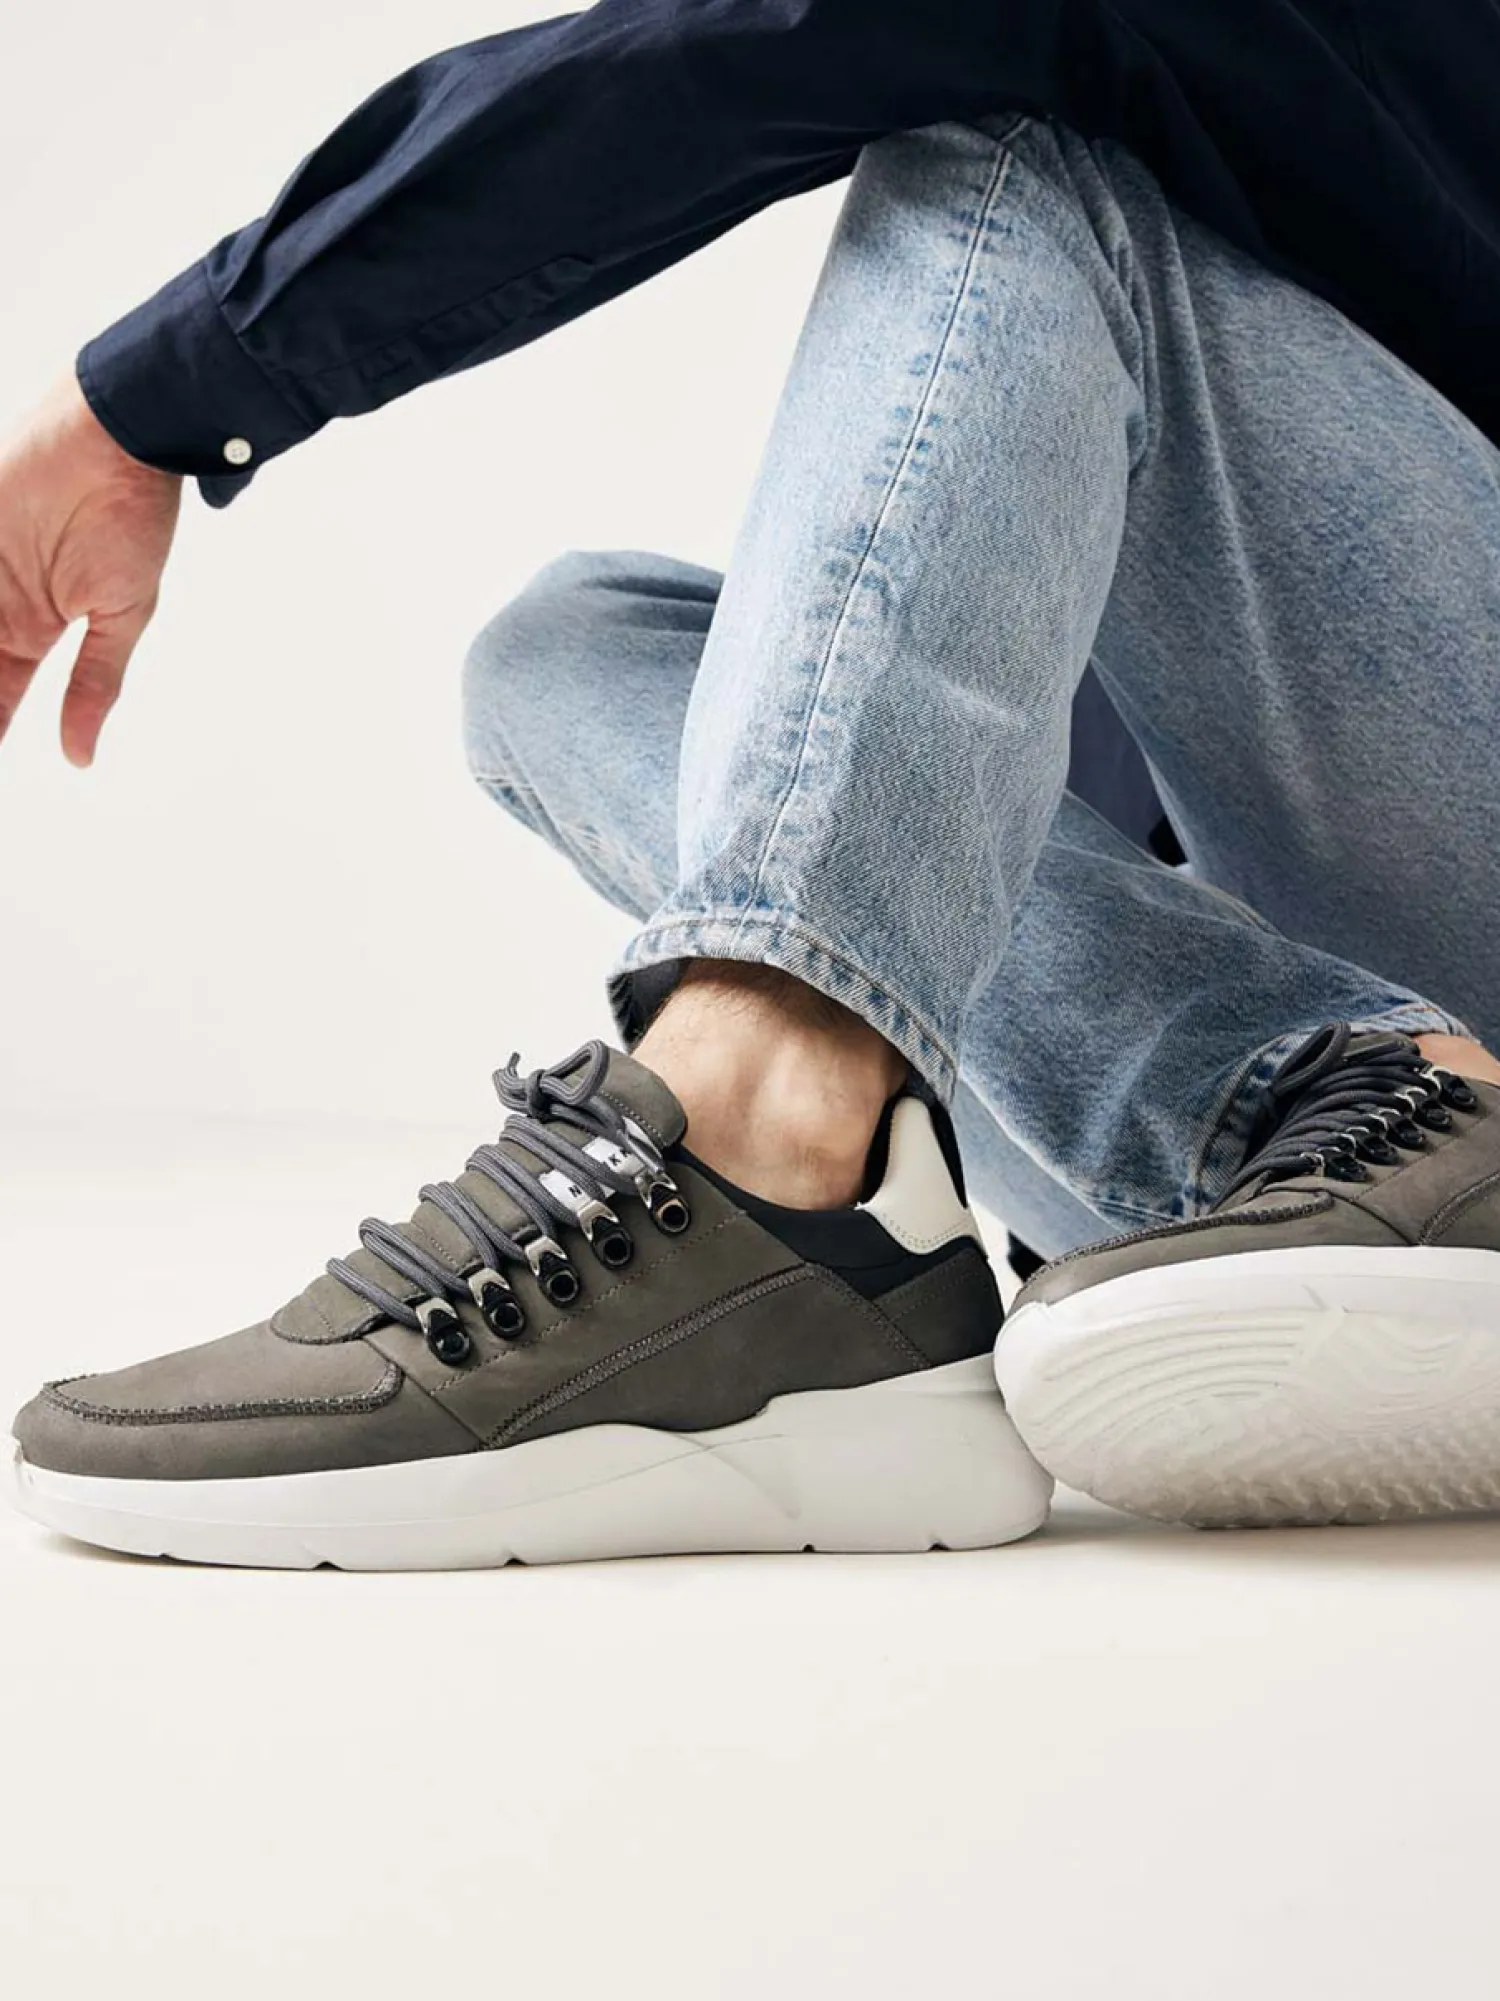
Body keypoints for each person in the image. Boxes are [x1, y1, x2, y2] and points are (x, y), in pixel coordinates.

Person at [6, 4, 1500, 1566]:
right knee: (564, 654)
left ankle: (765, 1144)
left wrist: (158, 393)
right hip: (1310, 1148)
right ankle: (1325, 1117)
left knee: (1027, 154)